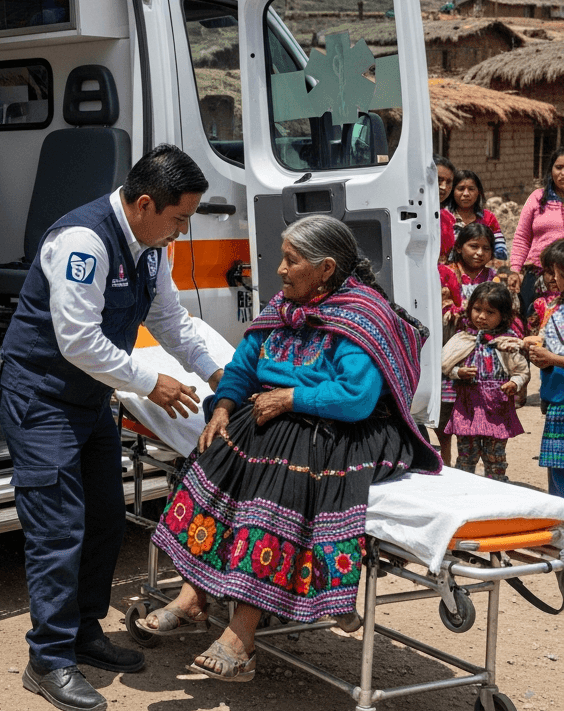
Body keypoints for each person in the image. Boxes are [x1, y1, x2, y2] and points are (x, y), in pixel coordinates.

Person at [136, 216, 439, 681]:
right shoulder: (285, 305)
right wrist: (224, 405)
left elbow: (355, 398)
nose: (279, 270)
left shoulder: (363, 314)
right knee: (219, 449)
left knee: (280, 468)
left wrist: (291, 397)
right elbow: (244, 363)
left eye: (291, 261)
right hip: (284, 416)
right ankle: (193, 595)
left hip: (350, 429)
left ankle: (242, 637)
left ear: (326, 269)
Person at [0, 144, 224, 711]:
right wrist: (153, 383)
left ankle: (84, 633)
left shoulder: (149, 247)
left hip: (87, 398)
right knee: (58, 528)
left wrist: (227, 375)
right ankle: (47, 659)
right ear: (145, 204)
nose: (182, 230)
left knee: (103, 519)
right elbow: (78, 340)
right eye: (179, 218)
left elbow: (171, 320)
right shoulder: (83, 241)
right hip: (40, 395)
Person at [441, 282, 528, 482]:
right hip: (468, 406)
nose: (481, 316)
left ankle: (496, 489)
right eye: (477, 309)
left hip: (497, 407)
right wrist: (458, 372)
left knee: (495, 456)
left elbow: (521, 371)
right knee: (466, 454)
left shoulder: (509, 342)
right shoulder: (462, 338)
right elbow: (445, 366)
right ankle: (465, 489)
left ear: (503, 316)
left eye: (490, 312)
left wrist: (514, 383)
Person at [526, 257, 564, 498]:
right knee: (557, 470)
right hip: (556, 398)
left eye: (557, 273)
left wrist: (551, 358)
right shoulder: (553, 307)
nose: (553, 278)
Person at [513, 148, 564, 322]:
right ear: (551, 170)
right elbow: (521, 237)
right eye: (559, 167)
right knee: (531, 324)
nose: (563, 173)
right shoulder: (537, 198)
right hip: (536, 276)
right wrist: (515, 270)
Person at [441, 169, 507, 261]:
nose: (466, 194)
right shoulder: (442, 218)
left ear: (478, 192)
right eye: (460, 189)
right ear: (452, 191)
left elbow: (500, 250)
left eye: (471, 189)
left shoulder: (488, 218)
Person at [436, 157, 456, 261]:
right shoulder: (411, 215)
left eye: (448, 182)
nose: (443, 187)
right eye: (439, 180)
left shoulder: (448, 218)